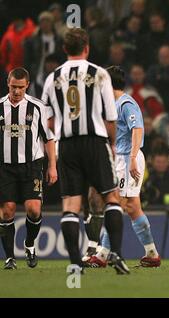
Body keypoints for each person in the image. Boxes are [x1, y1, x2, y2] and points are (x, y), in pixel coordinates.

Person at [41, 28, 129, 274]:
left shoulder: (52, 78)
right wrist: (111, 144)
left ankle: (75, 265)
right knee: (111, 197)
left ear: (64, 49)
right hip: (95, 141)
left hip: (67, 145)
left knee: (71, 204)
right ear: (87, 47)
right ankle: (117, 255)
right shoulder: (99, 74)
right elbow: (111, 118)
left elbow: (47, 121)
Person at [87, 66, 161, 268]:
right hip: (119, 159)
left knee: (118, 203)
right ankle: (152, 254)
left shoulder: (126, 103)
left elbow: (138, 128)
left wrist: (132, 157)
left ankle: (102, 254)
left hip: (128, 158)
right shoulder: (112, 104)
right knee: (133, 207)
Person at [0, 67, 57, 270]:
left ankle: (30, 244)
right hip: (4, 167)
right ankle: (9, 258)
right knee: (7, 211)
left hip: (31, 165)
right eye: (13, 87)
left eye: (21, 88)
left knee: (33, 210)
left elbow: (49, 139)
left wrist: (52, 166)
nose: (16, 91)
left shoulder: (38, 107)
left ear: (27, 86)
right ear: (8, 83)